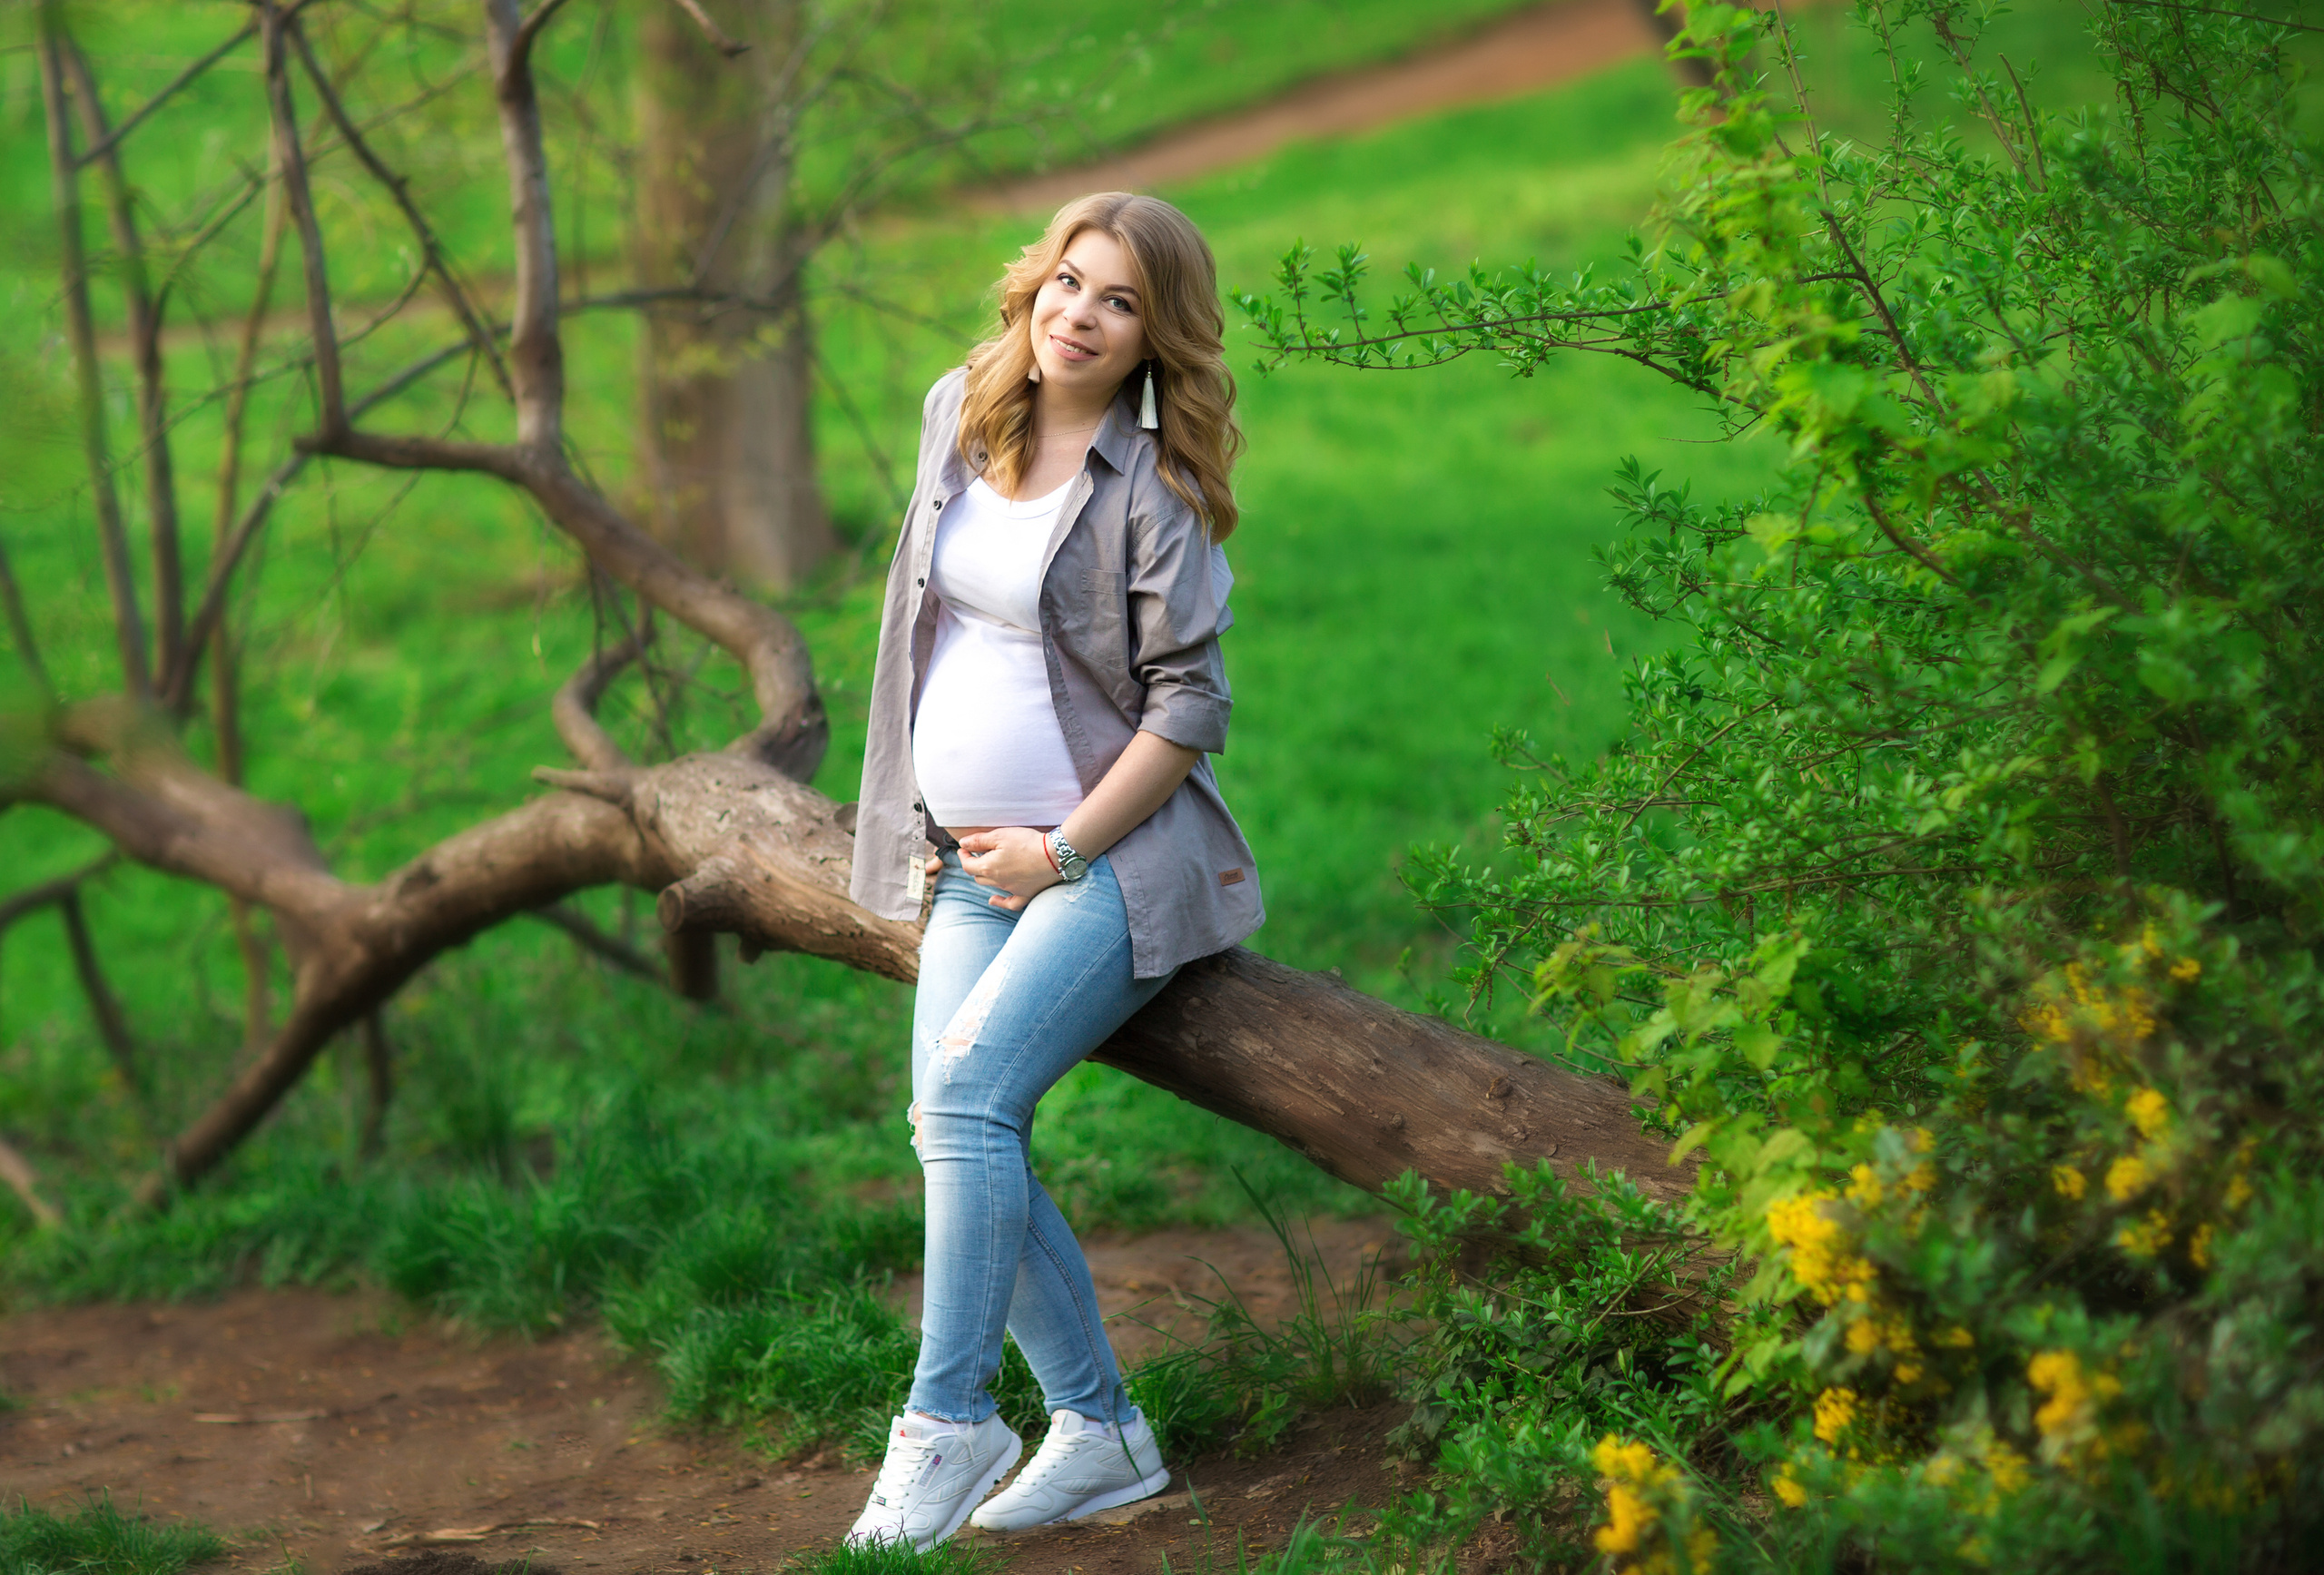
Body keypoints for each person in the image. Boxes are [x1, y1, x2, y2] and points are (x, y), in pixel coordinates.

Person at [843, 192, 1265, 1550]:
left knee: (962, 1103)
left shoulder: (1156, 489)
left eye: (1120, 301)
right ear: (1033, 287)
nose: (1079, 316)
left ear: (1158, 339)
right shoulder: (961, 410)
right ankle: (1099, 1430)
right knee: (954, 1124)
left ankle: (947, 1423)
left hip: (1108, 862)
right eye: (1069, 284)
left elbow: (1188, 710)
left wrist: (1060, 846)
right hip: (969, 866)